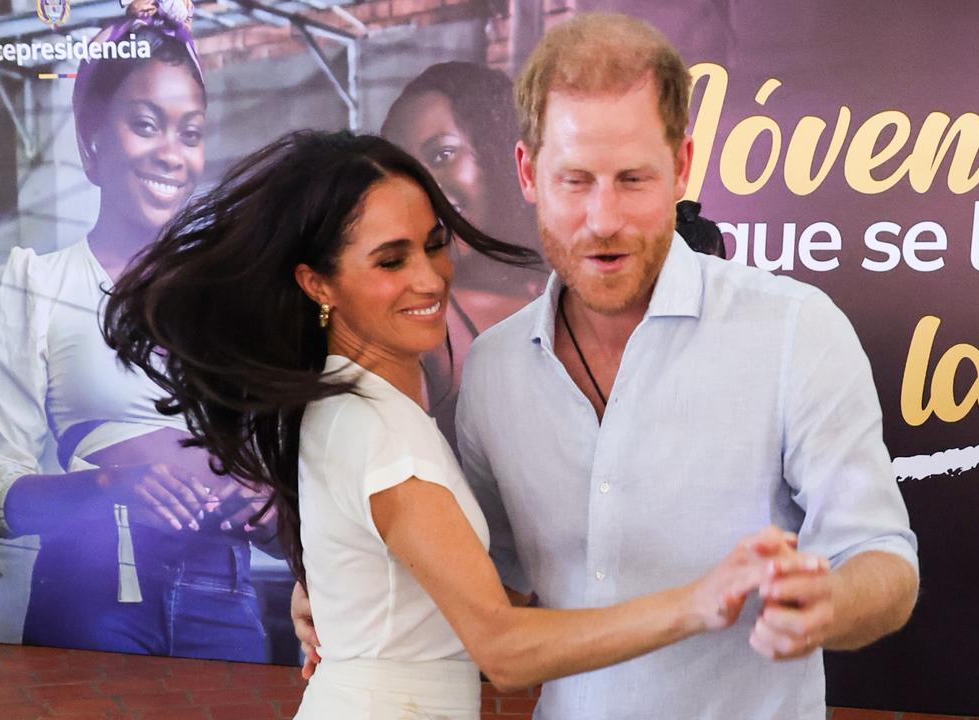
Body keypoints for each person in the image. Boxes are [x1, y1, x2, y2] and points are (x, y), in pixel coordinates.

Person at [102, 129, 812, 718]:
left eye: (433, 243)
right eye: (390, 259)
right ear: (317, 282)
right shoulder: (383, 434)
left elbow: (457, 591)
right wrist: (700, 601)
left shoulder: (346, 402)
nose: (430, 278)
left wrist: (338, 595)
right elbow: (502, 649)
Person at [449, 12, 920, 718]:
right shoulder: (490, 372)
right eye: (575, 180)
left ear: (683, 167)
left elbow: (886, 563)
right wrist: (346, 596)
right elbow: (496, 593)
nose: (603, 219)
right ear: (527, 172)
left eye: (633, 179)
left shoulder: (796, 330)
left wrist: (829, 601)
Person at [0, 7, 275, 661]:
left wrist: (273, 507)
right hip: (93, 599)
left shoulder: (237, 299)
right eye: (145, 124)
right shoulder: (37, 285)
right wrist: (107, 491)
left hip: (226, 602)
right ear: (91, 141)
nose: (172, 152)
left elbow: (281, 481)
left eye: (190, 132)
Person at [381, 62, 547, 443]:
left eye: (442, 155)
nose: (425, 189)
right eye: (404, 173)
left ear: (498, 149)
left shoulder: (574, 284)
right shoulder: (430, 327)